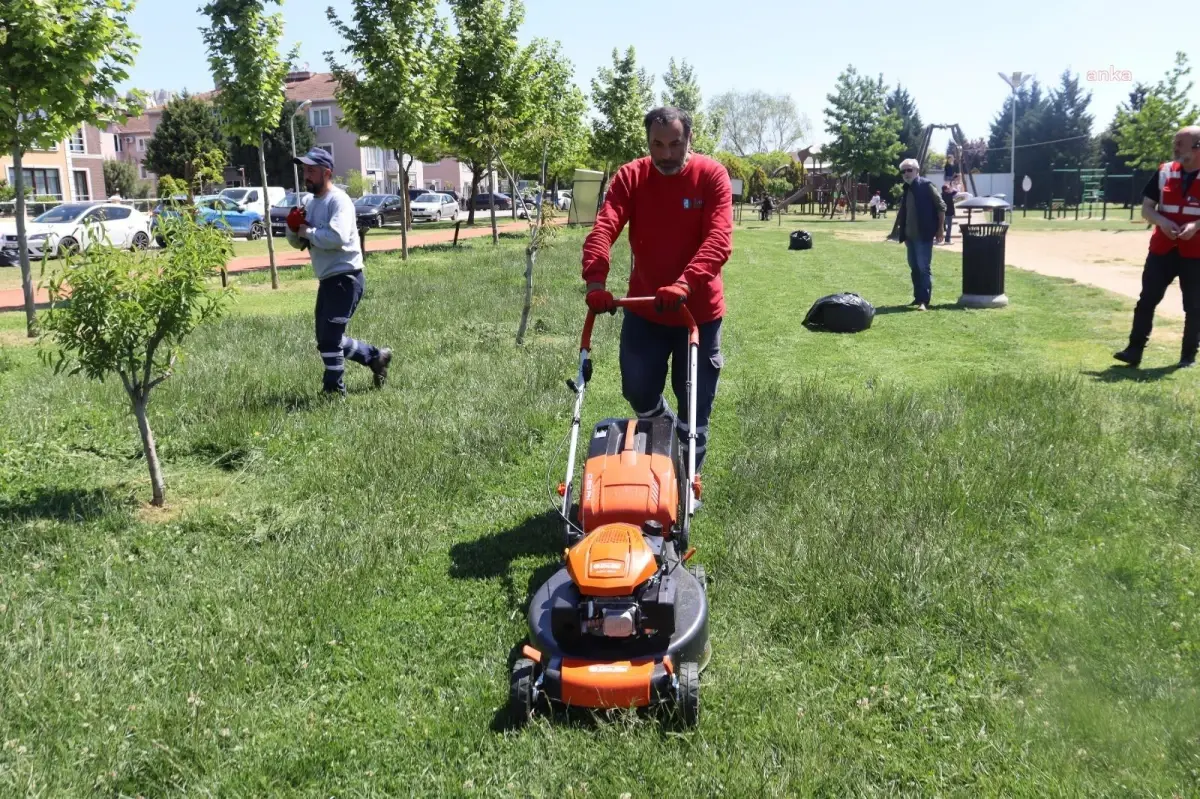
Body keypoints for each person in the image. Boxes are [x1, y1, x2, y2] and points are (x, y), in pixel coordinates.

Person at [580, 106, 733, 485]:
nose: (666, 154)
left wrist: (685, 283)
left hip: (696, 313)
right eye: (657, 145)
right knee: (637, 388)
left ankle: (686, 486)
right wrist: (596, 280)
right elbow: (606, 225)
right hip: (645, 309)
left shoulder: (711, 176)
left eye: (675, 144)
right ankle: (660, 424)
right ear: (647, 142)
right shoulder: (631, 177)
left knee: (695, 403)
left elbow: (718, 240)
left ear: (689, 140)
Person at [285, 147, 392, 396]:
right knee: (326, 339)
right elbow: (300, 242)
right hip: (327, 279)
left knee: (330, 338)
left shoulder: (339, 201)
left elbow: (337, 236)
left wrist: (306, 231)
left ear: (327, 173)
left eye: (311, 171)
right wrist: (293, 229)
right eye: (304, 170)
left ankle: (333, 391)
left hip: (346, 277)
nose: (306, 175)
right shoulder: (309, 203)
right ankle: (375, 358)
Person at [1113, 125, 1200, 369]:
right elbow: (1147, 208)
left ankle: (1187, 356)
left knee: (1194, 305)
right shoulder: (1164, 171)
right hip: (1162, 249)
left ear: (1197, 148)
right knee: (1147, 300)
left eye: (1180, 143)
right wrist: (1161, 221)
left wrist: (1195, 225)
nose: (1175, 147)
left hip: (1195, 252)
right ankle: (1134, 350)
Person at [888, 158, 945, 310]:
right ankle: (917, 297)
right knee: (914, 268)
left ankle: (924, 301)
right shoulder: (907, 188)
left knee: (923, 267)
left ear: (917, 171)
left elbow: (941, 207)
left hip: (924, 235)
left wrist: (940, 229)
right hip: (910, 237)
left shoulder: (926, 185)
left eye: (909, 170)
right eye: (904, 171)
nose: (906, 173)